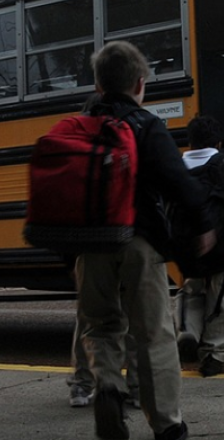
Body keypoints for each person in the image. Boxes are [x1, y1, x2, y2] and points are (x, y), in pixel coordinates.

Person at [75, 40, 209, 440]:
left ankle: (109, 392)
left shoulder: (79, 129)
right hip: (139, 240)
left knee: (100, 326)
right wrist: (202, 225)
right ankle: (167, 425)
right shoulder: (146, 125)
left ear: (99, 87)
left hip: (90, 246)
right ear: (139, 83)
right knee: (153, 335)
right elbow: (178, 182)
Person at [68, 92, 138, 410]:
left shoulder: (72, 142)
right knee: (134, 317)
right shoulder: (129, 133)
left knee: (91, 320)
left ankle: (83, 385)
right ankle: (135, 388)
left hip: (87, 245)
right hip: (127, 237)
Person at [174, 114, 224, 377]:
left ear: (191, 141)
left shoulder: (177, 166)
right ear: (218, 142)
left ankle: (187, 330)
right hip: (222, 248)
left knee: (191, 291)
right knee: (222, 299)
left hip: (188, 249)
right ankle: (213, 354)